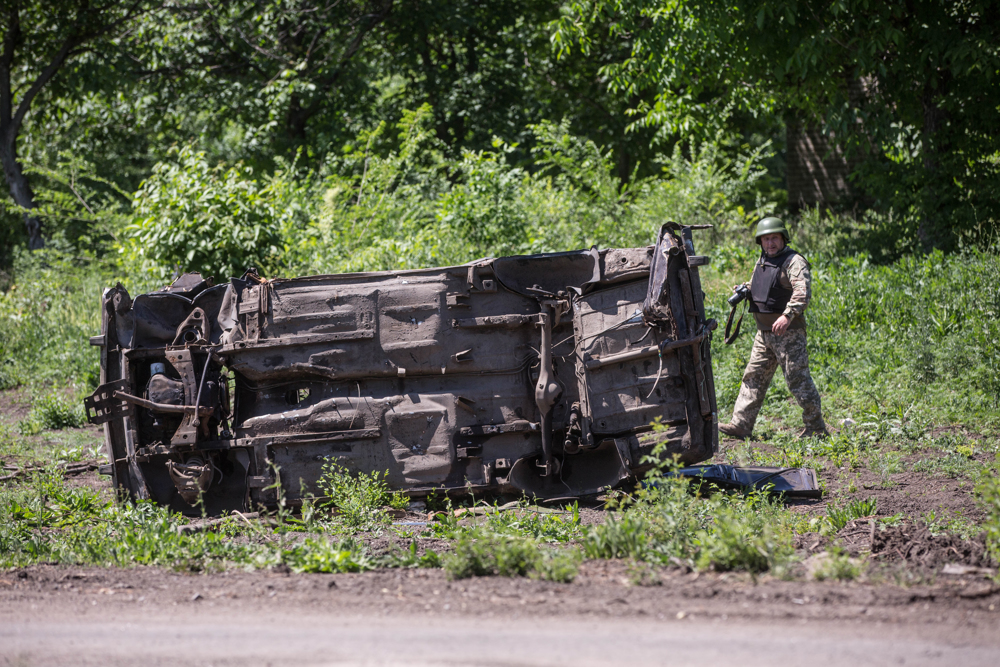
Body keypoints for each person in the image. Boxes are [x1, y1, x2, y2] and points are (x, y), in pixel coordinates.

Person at [718, 217, 829, 439]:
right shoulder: (763, 260)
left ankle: (816, 429)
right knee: (753, 377)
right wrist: (747, 288)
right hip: (764, 333)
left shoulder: (794, 261)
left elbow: (802, 292)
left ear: (783, 238)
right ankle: (741, 425)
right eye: (766, 239)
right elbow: (764, 284)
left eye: (774, 238)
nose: (770, 243)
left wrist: (787, 316)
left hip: (789, 334)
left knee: (798, 380)